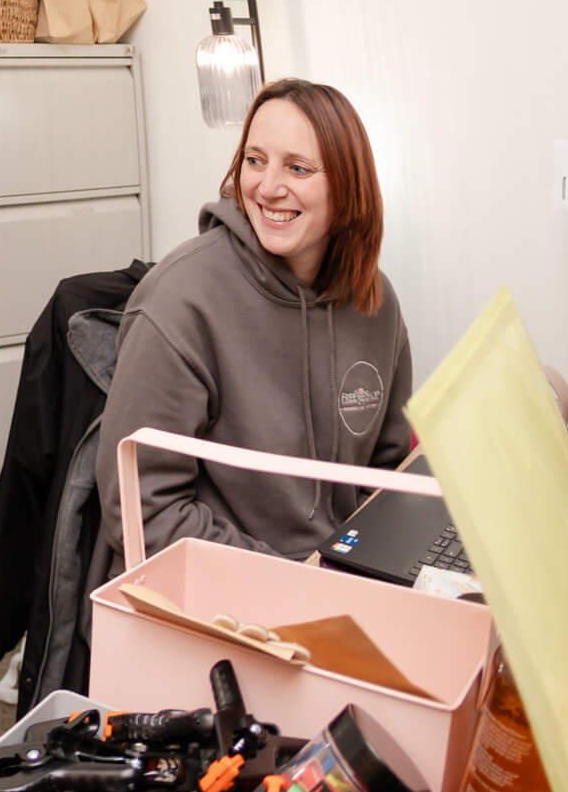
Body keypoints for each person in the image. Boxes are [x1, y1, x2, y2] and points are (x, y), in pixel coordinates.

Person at [96, 77, 413, 565]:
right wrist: (290, 581)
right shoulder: (181, 299)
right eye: (255, 160)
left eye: (298, 168)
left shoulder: (376, 303)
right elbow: (142, 511)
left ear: (349, 186)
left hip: (337, 577)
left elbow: (386, 474)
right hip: (219, 588)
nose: (267, 188)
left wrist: (360, 569)